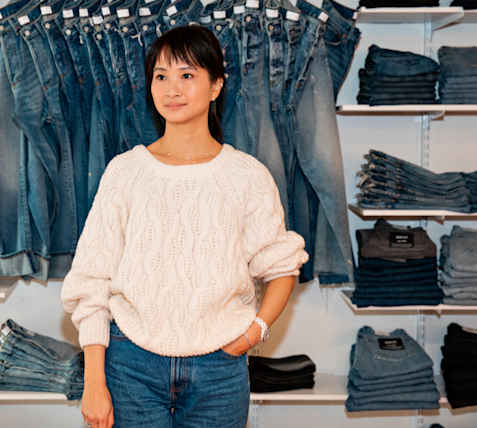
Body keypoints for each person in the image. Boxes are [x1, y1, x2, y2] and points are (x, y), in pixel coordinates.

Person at [61, 26, 308, 428]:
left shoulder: (247, 175)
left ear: (216, 86)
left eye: (187, 75)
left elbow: (282, 266)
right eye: (161, 76)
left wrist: (253, 334)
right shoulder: (125, 172)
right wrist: (93, 381)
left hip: (219, 369)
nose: (172, 88)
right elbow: (90, 281)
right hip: (130, 365)